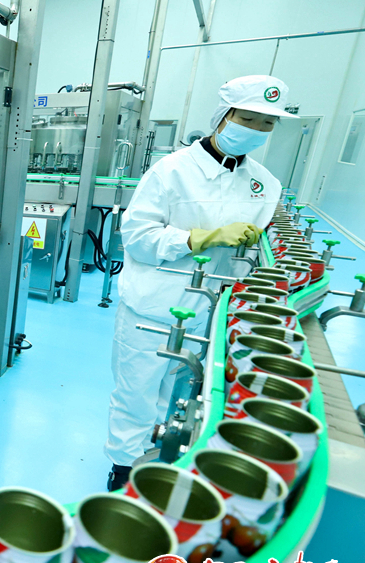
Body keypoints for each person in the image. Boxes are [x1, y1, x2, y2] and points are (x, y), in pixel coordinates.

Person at [106, 75, 297, 490]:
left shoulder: (266, 184)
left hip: (211, 311)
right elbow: (136, 238)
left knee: (184, 396)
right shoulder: (171, 171)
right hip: (153, 307)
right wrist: (199, 239)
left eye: (267, 123)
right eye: (248, 119)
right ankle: (124, 470)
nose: (257, 129)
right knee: (137, 392)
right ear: (223, 116)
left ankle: (162, 462)